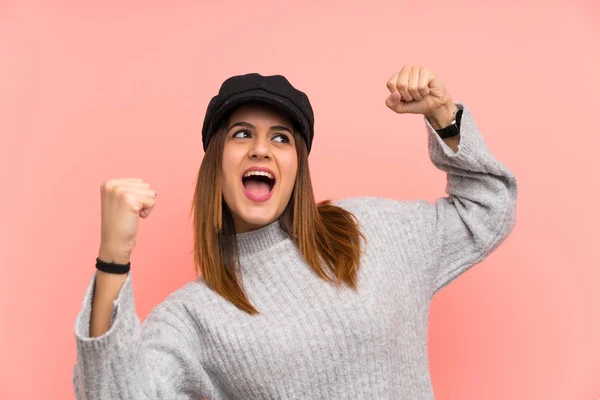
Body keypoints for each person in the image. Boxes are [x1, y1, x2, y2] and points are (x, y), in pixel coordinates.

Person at [72, 66, 518, 399]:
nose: (262, 149)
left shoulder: (374, 231)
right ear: (216, 164)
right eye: (242, 134)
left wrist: (444, 115)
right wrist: (113, 257)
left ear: (298, 168)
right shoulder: (192, 318)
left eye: (282, 138)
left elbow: (486, 210)